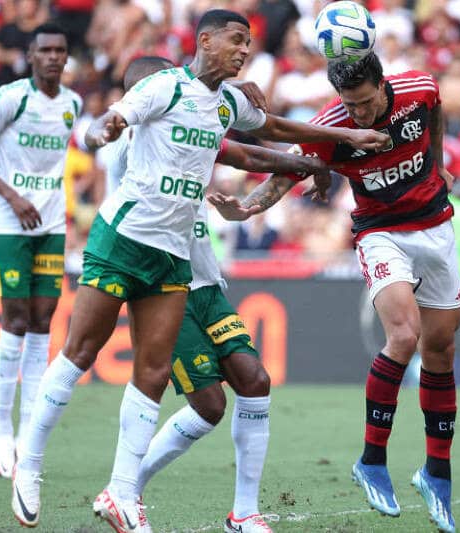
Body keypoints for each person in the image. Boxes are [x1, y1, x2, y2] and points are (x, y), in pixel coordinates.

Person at [10, 10, 388, 531]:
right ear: (204, 41)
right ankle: (28, 464)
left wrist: (341, 142)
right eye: (236, 40)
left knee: (153, 373)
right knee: (79, 353)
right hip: (122, 239)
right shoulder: (163, 88)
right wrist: (103, 129)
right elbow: (117, 115)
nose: (245, 50)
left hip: (173, 255)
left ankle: (124, 493)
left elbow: (271, 130)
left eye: (250, 43)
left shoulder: (225, 102)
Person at [210, 52, 460, 532]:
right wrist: (246, 208)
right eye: (351, 104)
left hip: (436, 226)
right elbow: (287, 174)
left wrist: (439, 165)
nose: (359, 114)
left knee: (441, 350)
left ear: (383, 85)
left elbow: (435, 110)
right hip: (380, 231)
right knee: (404, 338)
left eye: (365, 103)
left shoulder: (418, 88)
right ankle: (371, 460)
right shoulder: (332, 126)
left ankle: (436, 473)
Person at [113, 55, 329, 533]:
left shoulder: (190, 120)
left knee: (254, 380)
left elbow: (223, 136)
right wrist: (306, 160)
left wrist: (225, 98)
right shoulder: (135, 144)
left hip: (207, 282)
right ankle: (124, 487)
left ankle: (244, 514)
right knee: (209, 405)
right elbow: (245, 155)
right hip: (165, 287)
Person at [0, 22, 81, 480]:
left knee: (43, 318)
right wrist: (11, 196)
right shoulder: (11, 97)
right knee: (13, 318)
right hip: (11, 222)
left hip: (50, 224)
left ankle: (30, 426)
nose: (53, 57)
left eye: (60, 50)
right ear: (31, 55)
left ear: (66, 57)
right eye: (45, 50)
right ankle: (0, 430)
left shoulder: (72, 104)